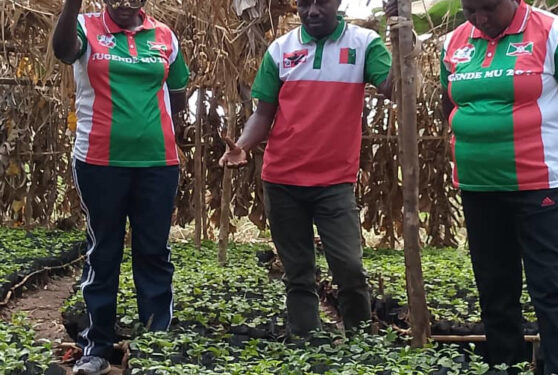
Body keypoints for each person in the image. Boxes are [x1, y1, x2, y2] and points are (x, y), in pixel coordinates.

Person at [220, 0, 392, 338]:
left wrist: (404, 42)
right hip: (282, 179)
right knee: (298, 271)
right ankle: (305, 339)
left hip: (335, 181)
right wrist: (243, 146)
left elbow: (392, 89)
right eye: (304, 4)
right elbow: (263, 113)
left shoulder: (363, 44)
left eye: (321, 3)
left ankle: (361, 341)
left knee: (349, 267)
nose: (312, 11)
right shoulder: (282, 49)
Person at [438, 0, 558, 373]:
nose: (480, 18)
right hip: (477, 187)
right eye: (471, 9)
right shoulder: (454, 42)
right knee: (495, 289)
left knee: (552, 289)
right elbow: (449, 104)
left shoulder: (557, 36)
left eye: (489, 8)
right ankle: (506, 365)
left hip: (540, 187)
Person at [52, 0, 189, 373]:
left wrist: (145, 127)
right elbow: (63, 51)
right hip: (98, 162)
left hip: (158, 163)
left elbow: (178, 93)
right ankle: (96, 346)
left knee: (153, 251)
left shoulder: (164, 36)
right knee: (104, 250)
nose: (126, 2)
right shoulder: (83, 26)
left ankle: (154, 342)